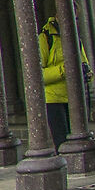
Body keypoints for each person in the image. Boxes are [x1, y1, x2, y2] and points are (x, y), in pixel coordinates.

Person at [40, 15, 70, 147]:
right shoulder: (45, 38)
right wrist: (64, 70)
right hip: (53, 99)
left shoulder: (74, 38)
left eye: (76, 19)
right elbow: (36, 76)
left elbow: (83, 62)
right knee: (62, 143)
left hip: (73, 97)